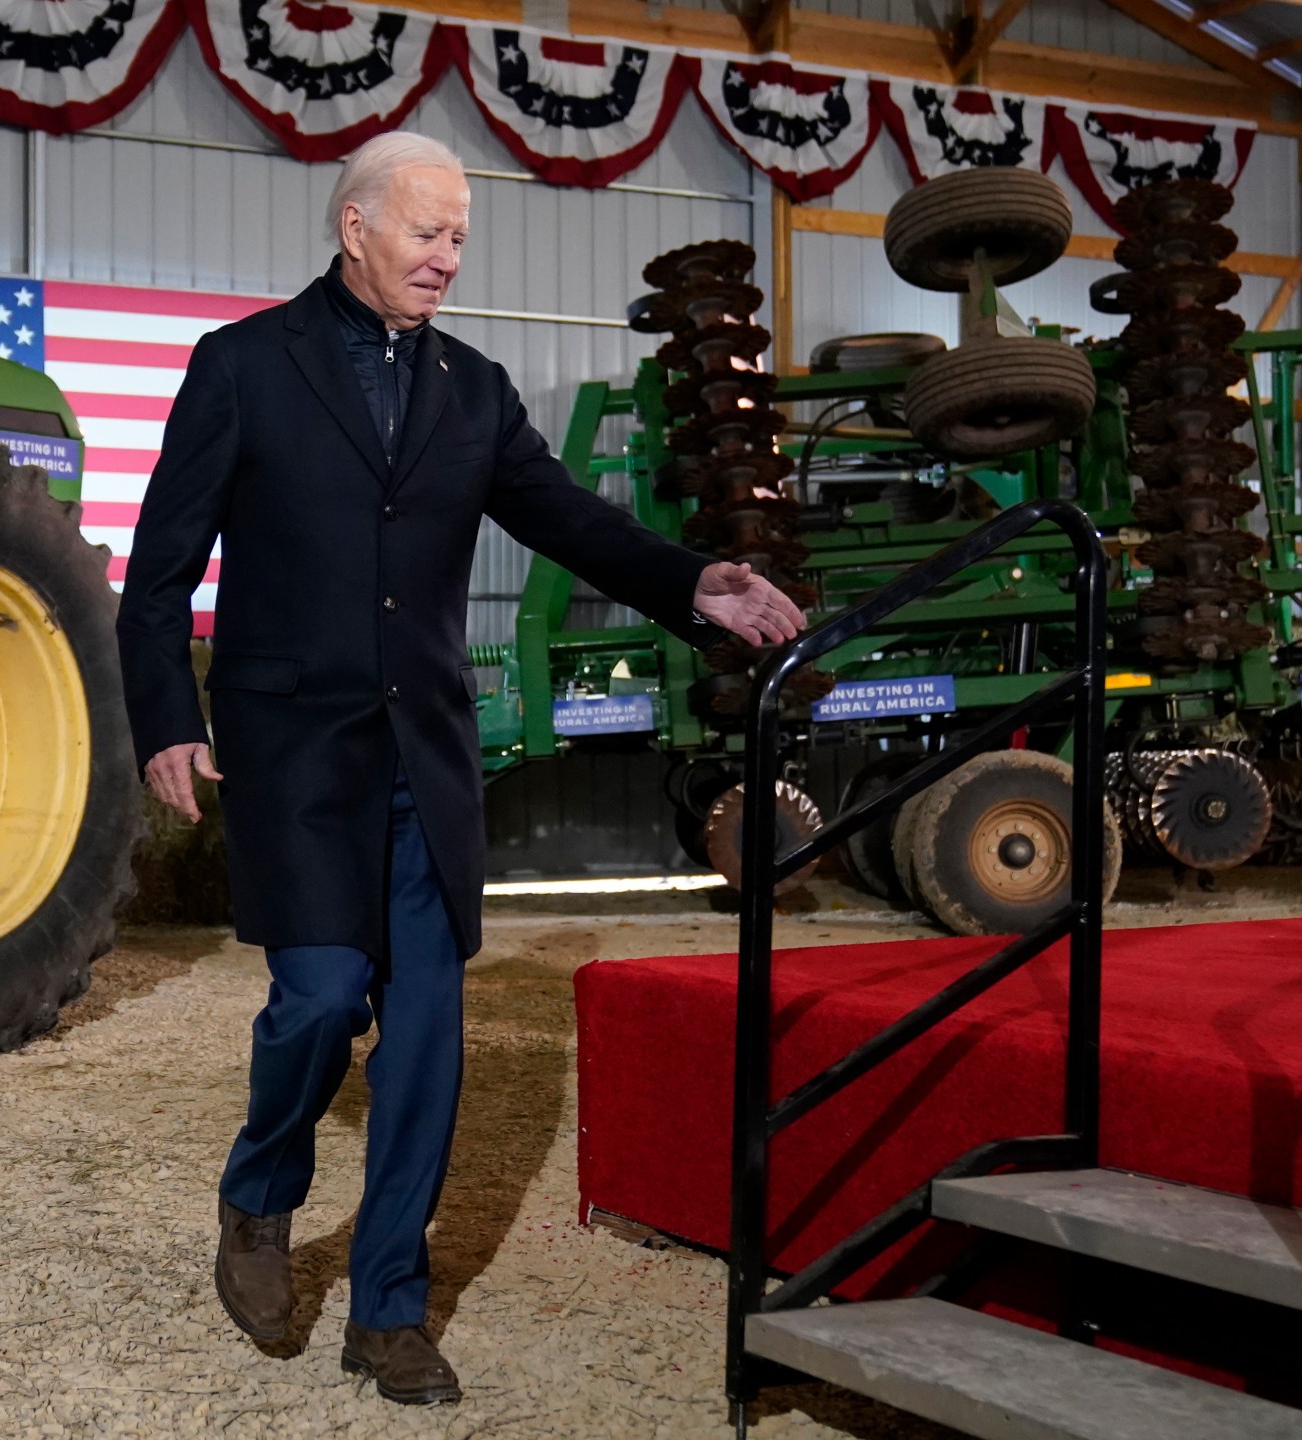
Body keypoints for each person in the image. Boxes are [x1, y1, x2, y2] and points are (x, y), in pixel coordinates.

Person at [114, 131, 804, 1405]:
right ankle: (259, 1197)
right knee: (319, 1001)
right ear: (355, 228)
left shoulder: (473, 390)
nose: (446, 256)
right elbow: (159, 573)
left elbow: (569, 520)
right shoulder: (242, 368)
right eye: (427, 233)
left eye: (459, 240)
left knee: (427, 1035)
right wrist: (165, 716)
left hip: (424, 755)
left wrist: (692, 579)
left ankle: (390, 1313)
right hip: (294, 749)